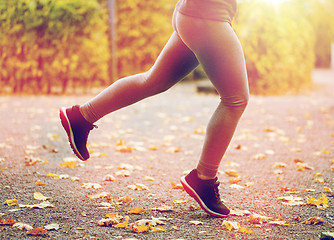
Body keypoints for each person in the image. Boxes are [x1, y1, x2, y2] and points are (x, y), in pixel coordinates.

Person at [60, 0, 249, 218]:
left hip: (193, 15)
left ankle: (81, 116)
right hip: (206, 17)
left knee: (153, 80)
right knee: (235, 100)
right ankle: (204, 178)